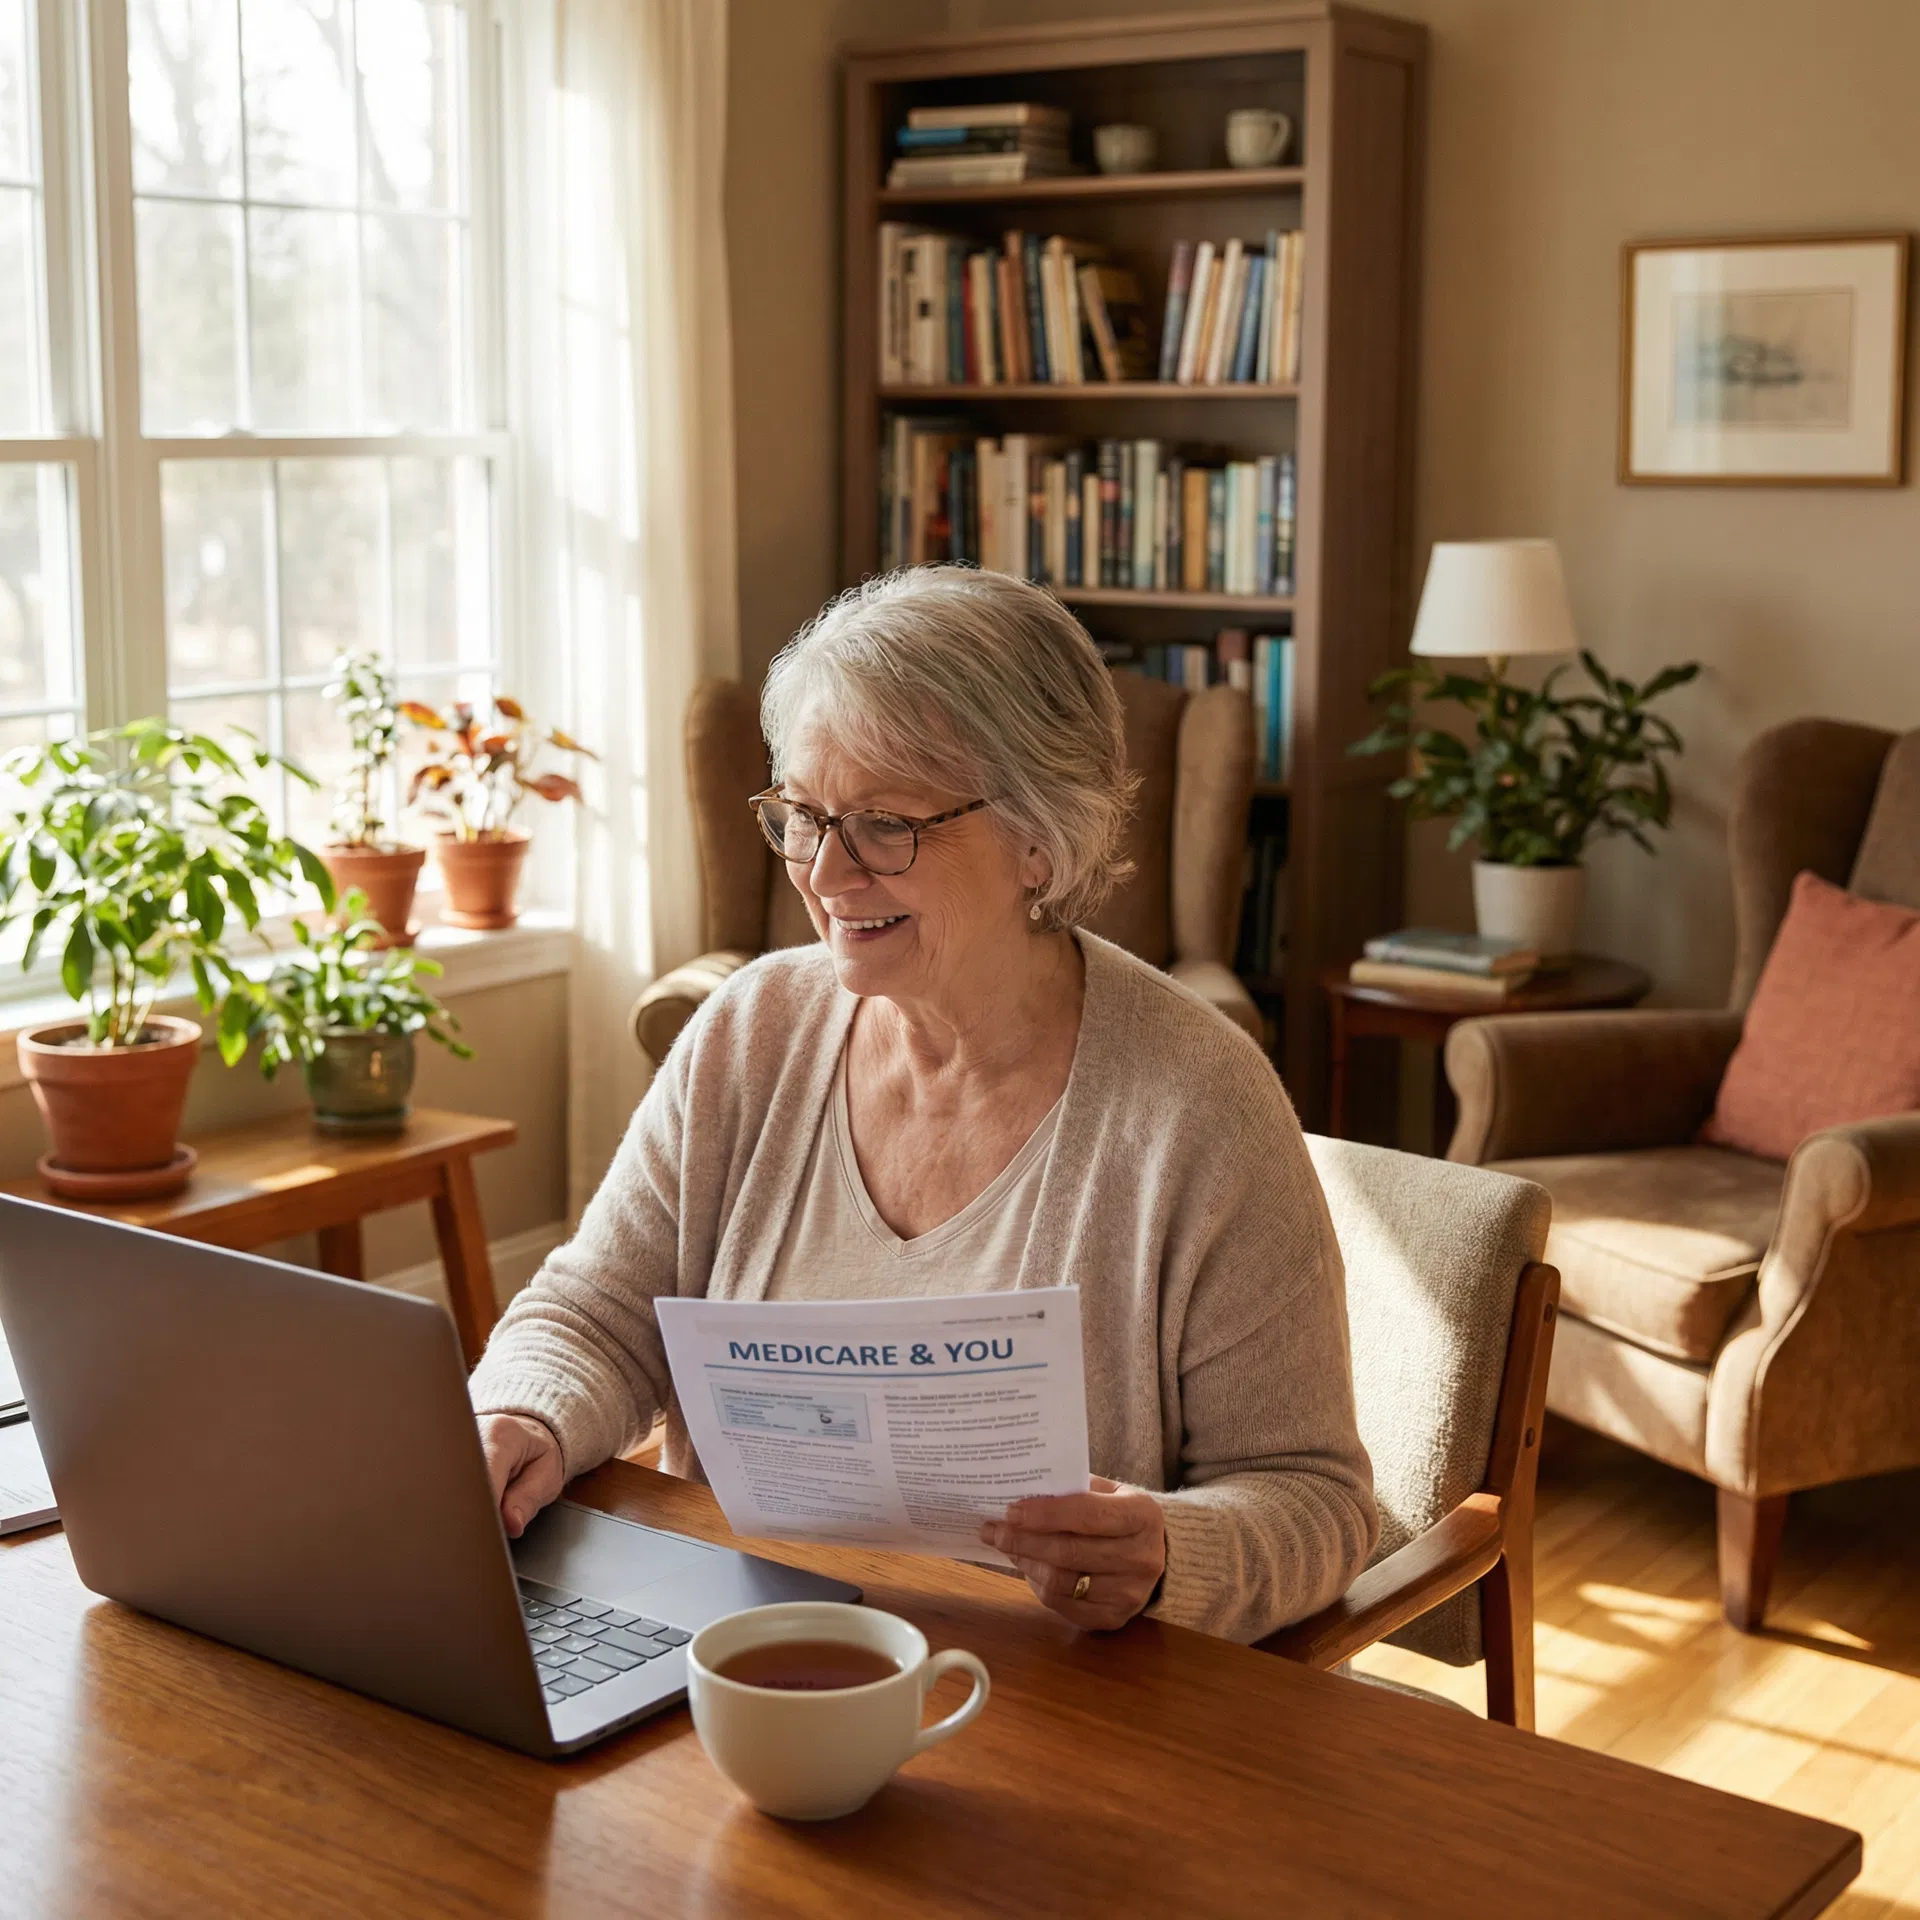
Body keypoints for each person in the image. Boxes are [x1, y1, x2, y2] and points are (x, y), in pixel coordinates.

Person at [469, 566, 1376, 1642]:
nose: (827, 874)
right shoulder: (751, 1030)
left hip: (1066, 1709)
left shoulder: (1198, 1107)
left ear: (1041, 835)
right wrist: (521, 1410)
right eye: (804, 816)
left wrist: (1173, 1551)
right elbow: (599, 1313)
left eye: (886, 826)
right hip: (741, 1661)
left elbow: (1313, 1498)